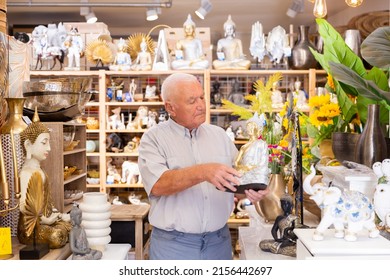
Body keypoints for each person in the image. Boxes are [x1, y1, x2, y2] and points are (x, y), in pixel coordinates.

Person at [138, 73, 269, 260]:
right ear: (170, 108)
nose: (201, 105)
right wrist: (203, 172)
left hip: (219, 244)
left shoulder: (220, 136)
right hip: (173, 247)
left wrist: (250, 189)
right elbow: (158, 185)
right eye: (192, 101)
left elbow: (234, 183)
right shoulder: (153, 139)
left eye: (201, 97)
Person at [17, 113, 71, 249]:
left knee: (73, 226)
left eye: (49, 142)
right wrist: (44, 220)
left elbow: (47, 203)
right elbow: (24, 207)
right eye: (44, 143)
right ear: (28, 145)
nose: (49, 148)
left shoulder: (41, 171)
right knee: (56, 236)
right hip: (31, 228)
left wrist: (57, 215)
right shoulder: (26, 173)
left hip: (46, 221)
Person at [234, 114, 269, 187]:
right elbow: (236, 162)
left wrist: (252, 168)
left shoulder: (261, 144)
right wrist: (243, 168)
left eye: (252, 127)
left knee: (261, 173)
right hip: (244, 172)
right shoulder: (244, 147)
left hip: (256, 173)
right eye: (248, 127)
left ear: (257, 129)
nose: (249, 129)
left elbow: (263, 163)